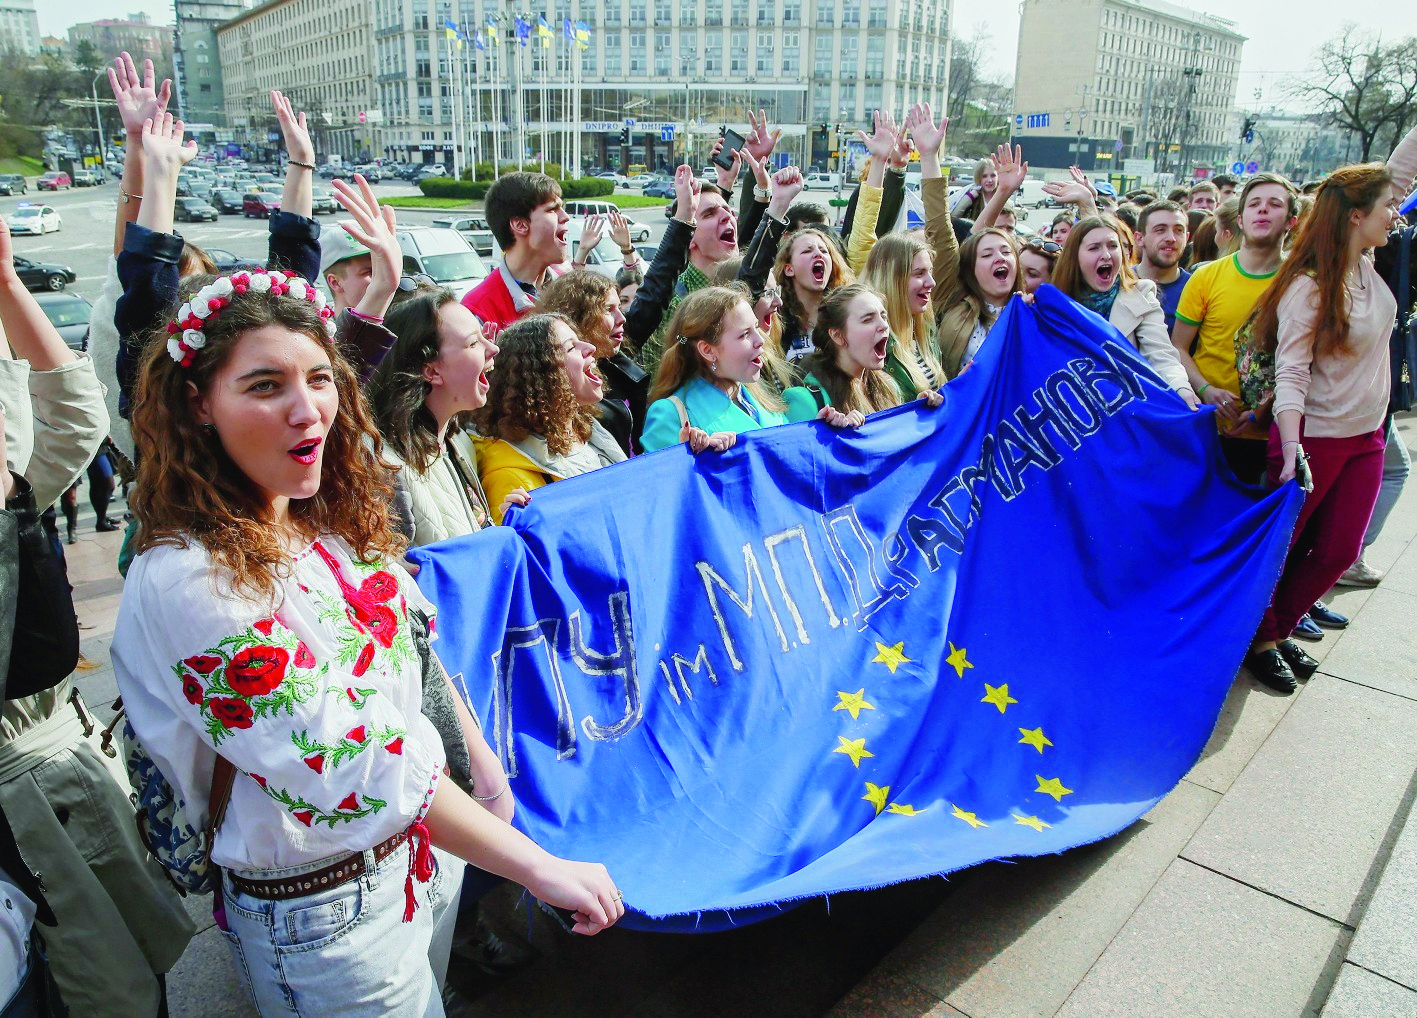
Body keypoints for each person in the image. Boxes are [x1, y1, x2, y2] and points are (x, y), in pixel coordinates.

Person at [114, 266, 624, 1016]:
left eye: (320, 378)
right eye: (263, 386)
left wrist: (484, 773)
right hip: (323, 913)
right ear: (197, 405)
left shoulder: (323, 524)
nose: (306, 410)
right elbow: (350, 761)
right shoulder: (186, 580)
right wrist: (535, 866)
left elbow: (415, 654)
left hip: (420, 864)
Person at [1, 212, 196, 1018]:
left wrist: (8, 284)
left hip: (66, 776)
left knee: (136, 972)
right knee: (92, 990)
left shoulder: (16, 505)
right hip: (23, 812)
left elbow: (73, 420)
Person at [1241, 126, 1417, 693]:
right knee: (1282, 549)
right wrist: (1291, 447)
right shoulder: (1310, 287)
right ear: (1353, 218)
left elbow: (1400, 178)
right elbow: (1291, 371)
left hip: (1366, 435)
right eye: (1387, 208)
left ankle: (1282, 626)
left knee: (1340, 551)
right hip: (1310, 440)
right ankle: (1260, 639)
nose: (1397, 214)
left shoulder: (1369, 264)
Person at [1170, 172, 1299, 484]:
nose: (1263, 210)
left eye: (1274, 204)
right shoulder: (1206, 277)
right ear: (1240, 219)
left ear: (1291, 222)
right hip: (1207, 429)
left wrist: (1262, 412)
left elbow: (1305, 364)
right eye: (1254, 204)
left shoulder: (1301, 282)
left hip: (1273, 437)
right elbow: (1177, 348)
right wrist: (1205, 389)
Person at [367, 287, 500, 544]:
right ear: (431, 371)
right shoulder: (387, 471)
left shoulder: (457, 442)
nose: (493, 347)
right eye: (473, 343)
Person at [470, 314, 627, 523]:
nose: (590, 347)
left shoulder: (587, 430)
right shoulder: (509, 477)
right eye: (571, 348)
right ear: (542, 376)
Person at [912, 105, 1022, 376]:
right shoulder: (953, 298)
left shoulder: (1033, 312)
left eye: (1006, 252)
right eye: (986, 255)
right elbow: (938, 224)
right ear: (970, 268)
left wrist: (1004, 191)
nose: (999, 258)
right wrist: (928, 156)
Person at [1050, 216, 1199, 405]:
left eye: (1113, 246)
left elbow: (1162, 356)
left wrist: (1181, 388)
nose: (1106, 254)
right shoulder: (1055, 305)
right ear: (1075, 257)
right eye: (1094, 248)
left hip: (1124, 411)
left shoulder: (1142, 293)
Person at [641, 285, 790, 453]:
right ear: (708, 350)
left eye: (756, 327)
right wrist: (692, 457)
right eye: (745, 334)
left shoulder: (757, 397)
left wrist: (820, 428)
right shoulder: (669, 414)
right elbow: (659, 477)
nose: (760, 340)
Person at [782, 283, 942, 424]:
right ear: (838, 336)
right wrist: (832, 436)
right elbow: (801, 456)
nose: (883, 326)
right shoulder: (803, 400)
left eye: (883, 316)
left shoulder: (890, 387)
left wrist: (917, 413)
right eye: (867, 320)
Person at [538, 269, 643, 455]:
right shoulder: (556, 390)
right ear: (579, 317)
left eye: (620, 307)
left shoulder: (615, 365)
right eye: (608, 310)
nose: (622, 318)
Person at [460, 171, 570, 330]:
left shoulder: (569, 289)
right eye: (553, 209)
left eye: (563, 207)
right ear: (520, 225)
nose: (565, 216)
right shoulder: (479, 310)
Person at [860, 233, 947, 394]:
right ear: (891, 280)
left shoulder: (925, 332)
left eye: (930, 272)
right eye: (919, 273)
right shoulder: (872, 344)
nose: (931, 282)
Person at [774, 225, 855, 363]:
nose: (818, 254)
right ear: (789, 269)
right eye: (807, 251)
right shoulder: (776, 319)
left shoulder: (846, 316)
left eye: (824, 251)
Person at [1133, 199, 1192, 334]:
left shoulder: (1197, 287)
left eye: (1178, 230)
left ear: (1187, 238)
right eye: (1160, 230)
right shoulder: (1121, 283)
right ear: (1140, 238)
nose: (1171, 238)